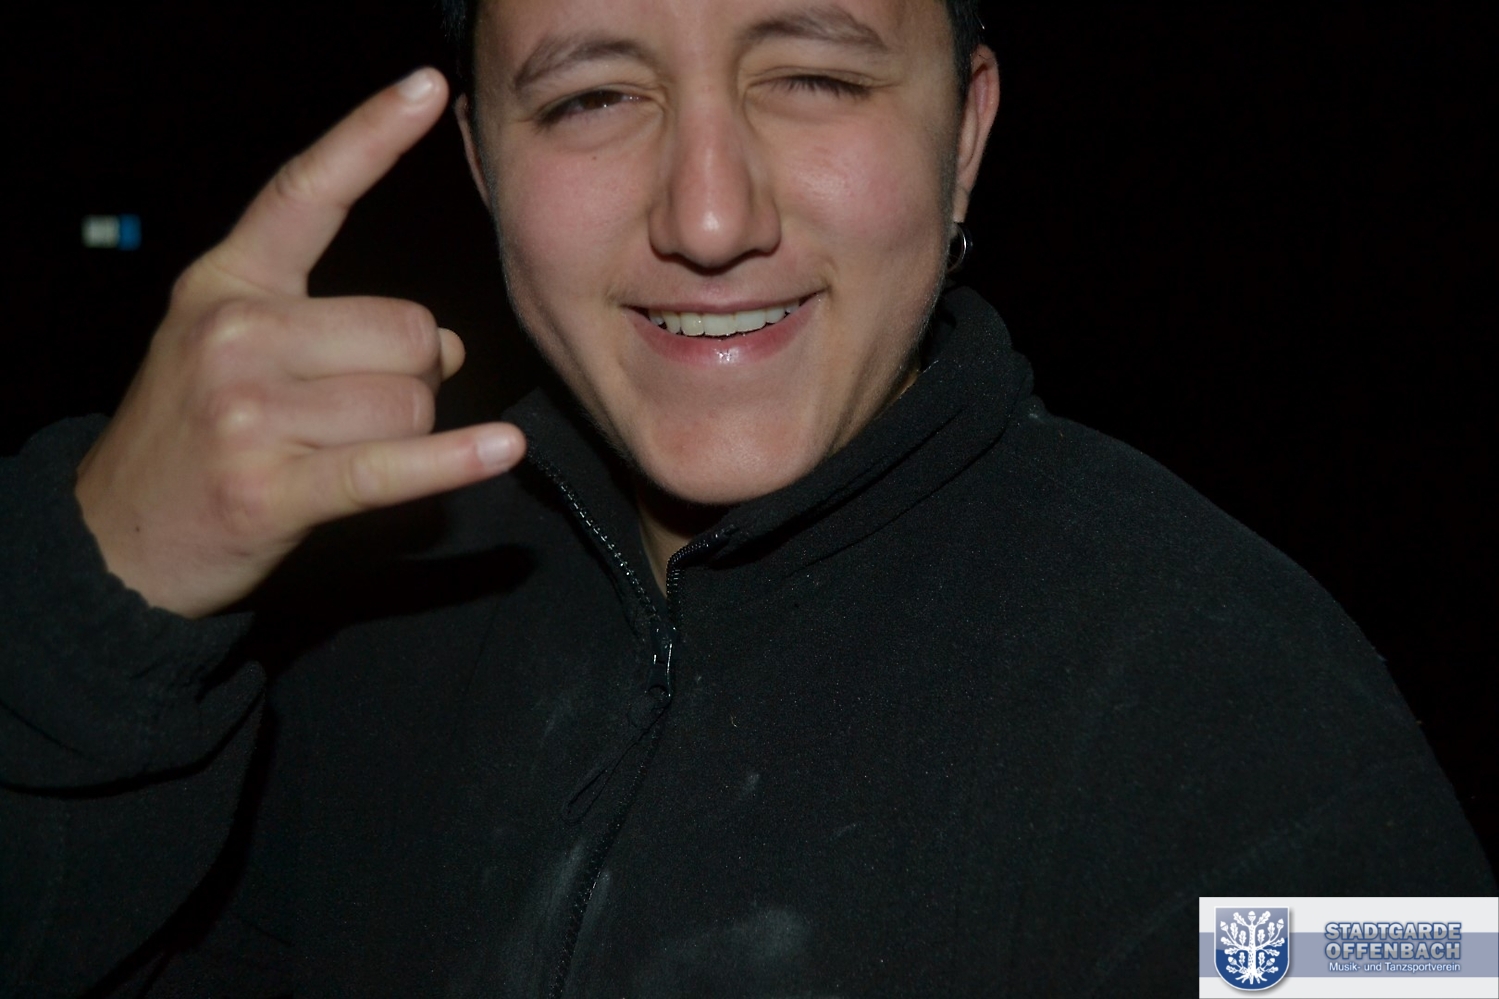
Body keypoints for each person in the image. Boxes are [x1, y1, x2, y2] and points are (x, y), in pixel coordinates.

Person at [0, 0, 1491, 995]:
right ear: (482, 162)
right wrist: (95, 602)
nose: (709, 217)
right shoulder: (328, 620)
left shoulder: (1263, 714)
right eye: (592, 96)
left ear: (965, 132)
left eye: (816, 77)